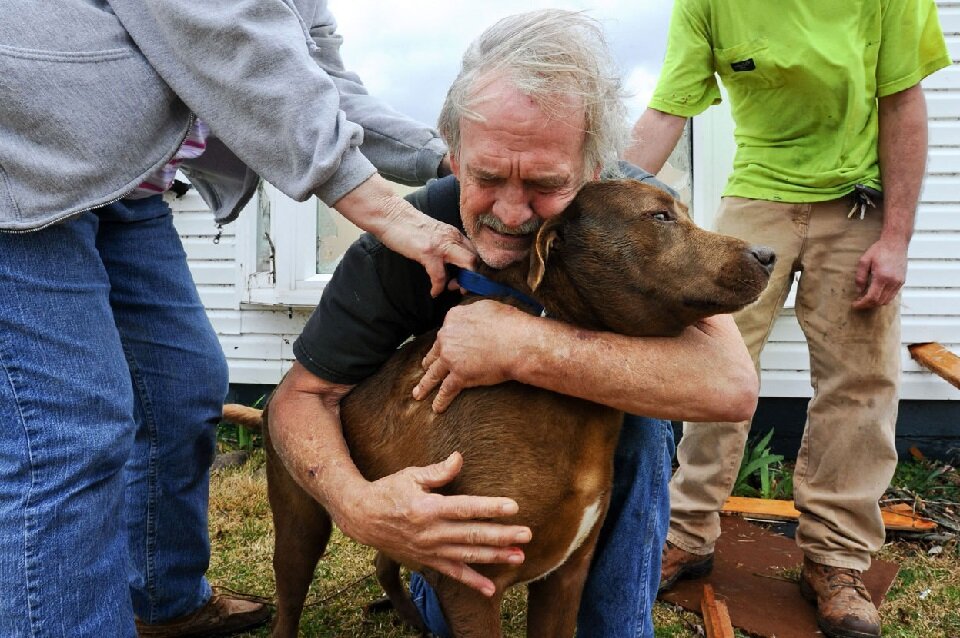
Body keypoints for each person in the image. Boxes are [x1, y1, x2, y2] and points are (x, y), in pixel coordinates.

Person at [267, 9, 759, 637]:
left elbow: (729, 385)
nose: (510, 210)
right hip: (454, 455)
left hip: (579, 445)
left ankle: (613, 626)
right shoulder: (404, 238)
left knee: (644, 420)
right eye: (488, 176)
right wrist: (360, 508)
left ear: (594, 171)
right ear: (454, 156)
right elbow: (299, 398)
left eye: (546, 183)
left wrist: (522, 344)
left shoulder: (632, 214)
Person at [0, 1, 480, 637]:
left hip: (124, 187)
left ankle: (165, 601)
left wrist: (451, 159)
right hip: (24, 163)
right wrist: (385, 209)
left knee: (181, 387)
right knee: (65, 432)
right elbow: (220, 31)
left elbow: (321, 85)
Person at [624, 1, 951, 636]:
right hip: (756, 192)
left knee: (859, 381)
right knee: (710, 364)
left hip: (856, 201)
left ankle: (835, 559)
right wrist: (595, 191)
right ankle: (687, 534)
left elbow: (902, 105)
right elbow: (669, 110)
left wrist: (898, 239)